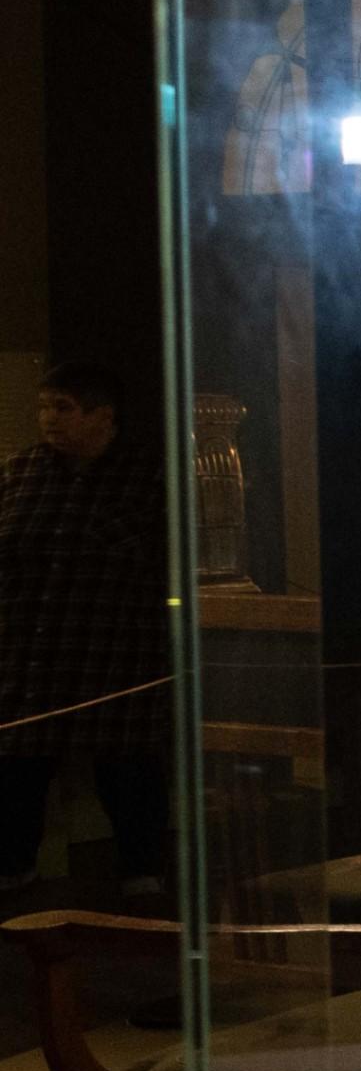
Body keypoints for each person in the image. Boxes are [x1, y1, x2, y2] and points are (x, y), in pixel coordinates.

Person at [0, 362, 170, 895]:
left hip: (113, 647)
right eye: (44, 407)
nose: (49, 419)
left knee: (127, 768)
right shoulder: (21, 471)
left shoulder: (150, 477)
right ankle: (13, 871)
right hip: (31, 648)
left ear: (104, 416)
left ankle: (143, 874)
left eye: (64, 407)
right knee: (17, 768)